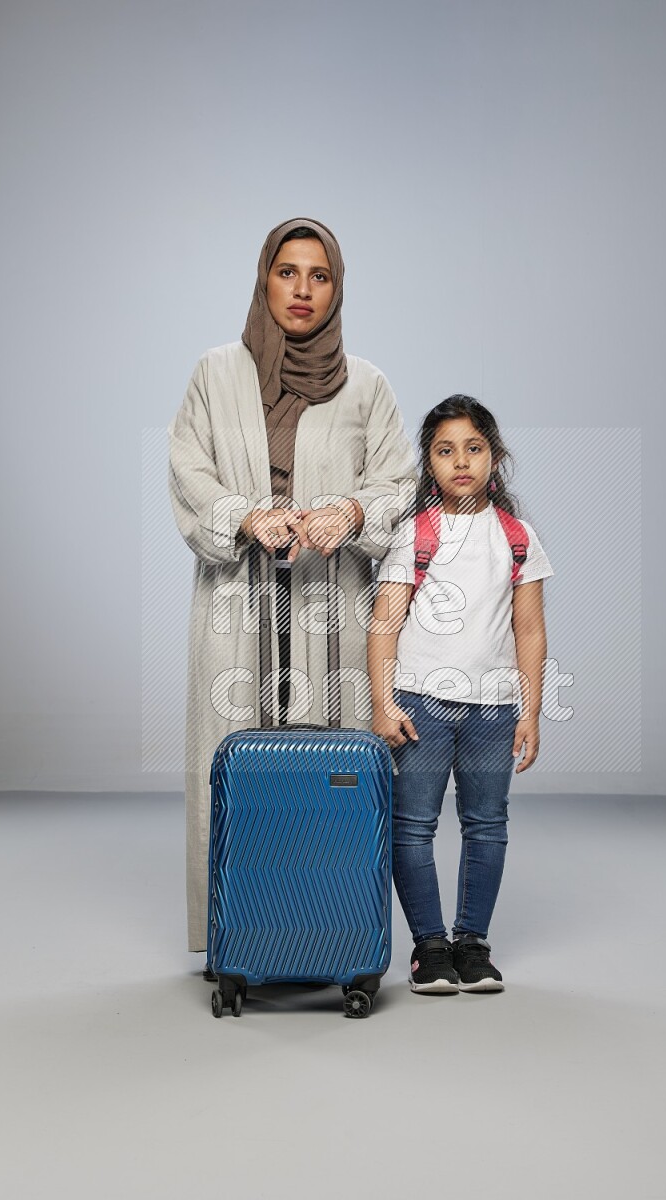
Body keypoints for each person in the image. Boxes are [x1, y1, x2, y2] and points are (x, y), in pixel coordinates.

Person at [169, 217, 417, 955]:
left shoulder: (367, 384)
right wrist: (245, 516)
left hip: (331, 599)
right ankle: (238, 934)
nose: (303, 290)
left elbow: (398, 480)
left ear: (337, 289)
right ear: (263, 279)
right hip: (237, 600)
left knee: (332, 762)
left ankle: (331, 927)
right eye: (288, 272)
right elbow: (188, 469)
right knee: (235, 759)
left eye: (320, 275)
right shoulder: (216, 372)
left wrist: (350, 510)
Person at [368, 394, 554, 994]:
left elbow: (529, 629)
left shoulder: (516, 536)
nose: (461, 462)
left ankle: (472, 944)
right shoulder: (414, 533)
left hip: (493, 709)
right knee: (412, 827)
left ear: (494, 458)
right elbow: (385, 624)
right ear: (429, 463)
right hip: (420, 702)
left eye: (474, 448)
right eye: (445, 451)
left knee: (486, 825)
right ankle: (429, 947)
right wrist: (382, 702)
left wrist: (529, 710)